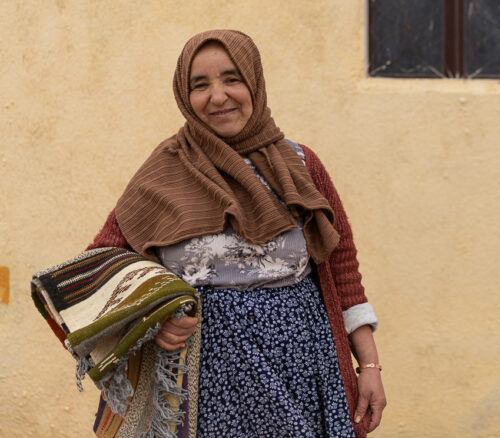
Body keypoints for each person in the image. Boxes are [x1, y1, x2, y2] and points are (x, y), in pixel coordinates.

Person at [86, 29, 386, 437]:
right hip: (195, 386)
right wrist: (152, 320)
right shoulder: (164, 170)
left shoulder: (301, 165)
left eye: (232, 79)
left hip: (301, 379)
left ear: (255, 83)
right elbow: (104, 262)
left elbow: (342, 268)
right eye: (200, 85)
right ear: (184, 96)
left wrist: (368, 366)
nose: (218, 96)